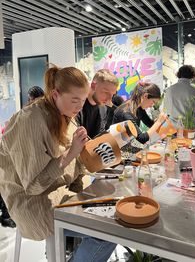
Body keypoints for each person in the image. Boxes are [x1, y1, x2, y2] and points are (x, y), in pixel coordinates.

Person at [0, 66, 116, 261]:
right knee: (107, 234)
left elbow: (77, 166)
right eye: (75, 100)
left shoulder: (66, 117)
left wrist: (84, 183)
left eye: (83, 99)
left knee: (112, 216)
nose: (80, 106)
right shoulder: (30, 120)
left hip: (62, 191)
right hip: (34, 204)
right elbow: (34, 186)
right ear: (55, 94)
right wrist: (71, 153)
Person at [76, 69, 119, 138]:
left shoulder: (103, 108)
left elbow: (99, 136)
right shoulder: (77, 106)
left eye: (112, 95)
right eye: (106, 92)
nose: (109, 99)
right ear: (93, 85)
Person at [163, 65, 195, 134]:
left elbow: (166, 110)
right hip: (192, 129)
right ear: (193, 75)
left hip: (174, 129)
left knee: (175, 145)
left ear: (179, 74)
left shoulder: (169, 90)